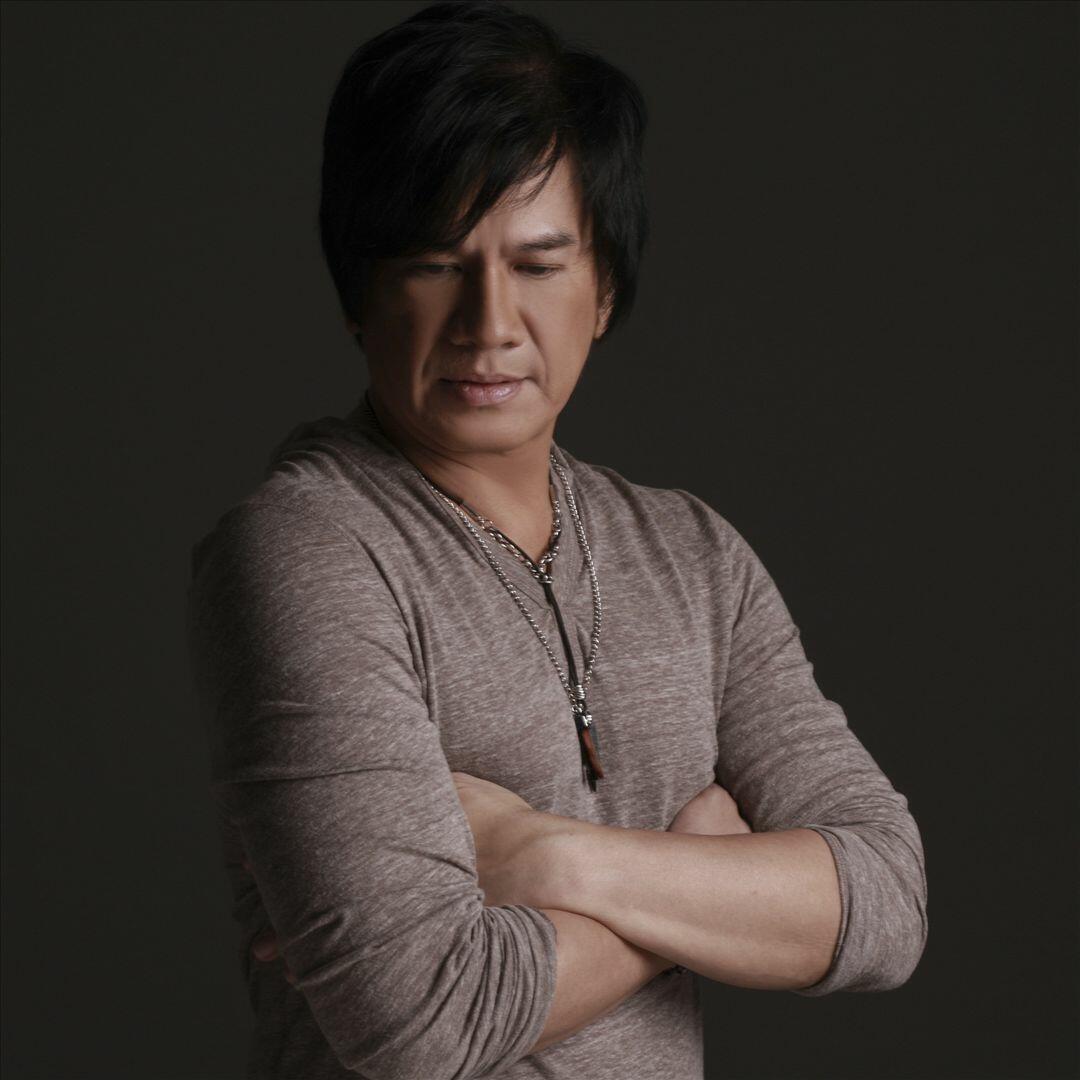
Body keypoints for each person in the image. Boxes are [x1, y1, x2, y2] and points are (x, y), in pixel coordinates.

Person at [186, 3, 928, 1078]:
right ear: (359, 291)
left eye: (538, 265)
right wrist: (701, 879)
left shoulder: (692, 556)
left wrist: (549, 858)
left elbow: (887, 900)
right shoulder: (308, 552)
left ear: (604, 288)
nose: (489, 324)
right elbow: (423, 1020)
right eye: (436, 264)